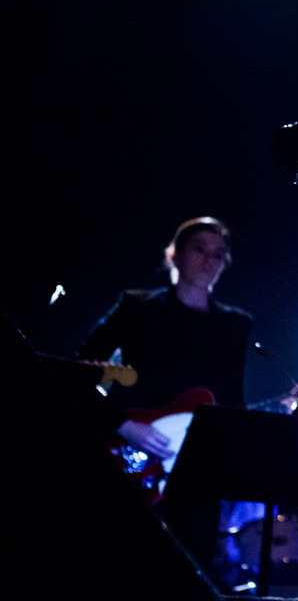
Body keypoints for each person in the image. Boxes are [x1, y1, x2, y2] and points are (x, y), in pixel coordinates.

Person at [75, 216, 252, 574]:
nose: (209, 259)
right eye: (199, 249)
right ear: (174, 255)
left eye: (219, 254)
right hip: (133, 450)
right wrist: (123, 424)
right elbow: (76, 371)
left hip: (200, 467)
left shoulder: (236, 325)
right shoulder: (136, 308)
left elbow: (233, 399)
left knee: (191, 569)